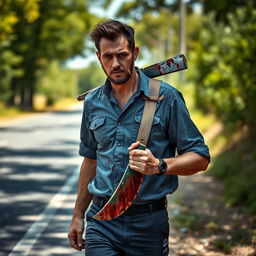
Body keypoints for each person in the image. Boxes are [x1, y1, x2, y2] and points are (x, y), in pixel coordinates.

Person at [68, 19, 210, 256]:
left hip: (148, 225)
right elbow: (91, 160)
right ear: (98, 57)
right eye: (107, 56)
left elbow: (200, 157)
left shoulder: (167, 98)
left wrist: (159, 165)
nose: (115, 64)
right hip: (102, 221)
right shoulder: (93, 103)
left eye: (122, 55)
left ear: (135, 53)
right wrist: (77, 216)